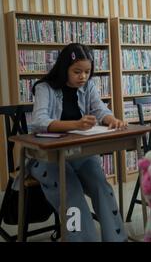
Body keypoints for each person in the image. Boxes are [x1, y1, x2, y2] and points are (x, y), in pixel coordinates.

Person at [30, 43, 127, 242]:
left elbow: (100, 109)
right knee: (71, 195)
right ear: (64, 68)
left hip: (79, 153)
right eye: (77, 71)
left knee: (102, 188)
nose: (83, 77)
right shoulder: (44, 88)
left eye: (87, 72)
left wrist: (112, 120)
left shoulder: (88, 86)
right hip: (49, 158)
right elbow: (39, 122)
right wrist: (75, 123)